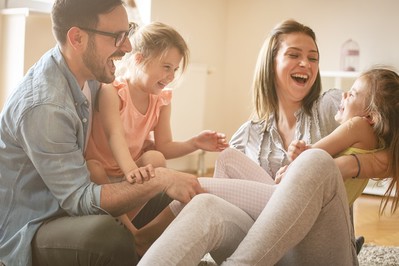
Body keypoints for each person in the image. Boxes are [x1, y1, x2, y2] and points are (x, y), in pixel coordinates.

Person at [137, 19, 392, 266]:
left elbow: (388, 136)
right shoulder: (247, 134)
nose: (306, 63)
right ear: (271, 64)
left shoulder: (331, 106)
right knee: (207, 201)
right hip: (266, 251)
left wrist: (349, 164)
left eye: (313, 58)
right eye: (294, 55)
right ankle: (140, 243)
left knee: (314, 160)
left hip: (318, 248)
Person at [0, 1, 204, 265]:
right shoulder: (46, 107)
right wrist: (159, 179)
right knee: (107, 236)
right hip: (34, 224)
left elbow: (121, 129)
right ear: (77, 38)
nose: (129, 46)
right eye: (117, 37)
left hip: (67, 204)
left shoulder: (91, 74)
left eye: (128, 31)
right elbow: (79, 199)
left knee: (167, 196)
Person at [84, 21, 228, 236]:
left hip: (130, 173)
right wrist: (132, 171)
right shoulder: (112, 92)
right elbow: (115, 135)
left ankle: (131, 226)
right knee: (92, 167)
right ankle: (131, 233)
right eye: (166, 67)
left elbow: (165, 146)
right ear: (140, 59)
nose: (171, 76)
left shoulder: (161, 99)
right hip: (104, 174)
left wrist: (195, 143)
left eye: (175, 69)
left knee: (156, 158)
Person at [285, 67, 399, 209]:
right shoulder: (380, 145)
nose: (344, 94)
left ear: (370, 116)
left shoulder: (359, 126)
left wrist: (295, 152)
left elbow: (310, 156)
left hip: (297, 202)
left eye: (352, 94)